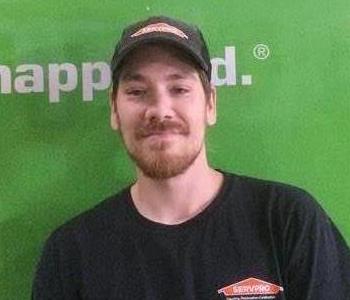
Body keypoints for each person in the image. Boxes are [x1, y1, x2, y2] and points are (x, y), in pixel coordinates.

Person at [32, 15, 350, 300]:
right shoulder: (71, 252)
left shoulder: (287, 220)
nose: (160, 110)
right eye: (137, 92)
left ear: (210, 103)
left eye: (179, 88)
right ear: (114, 110)